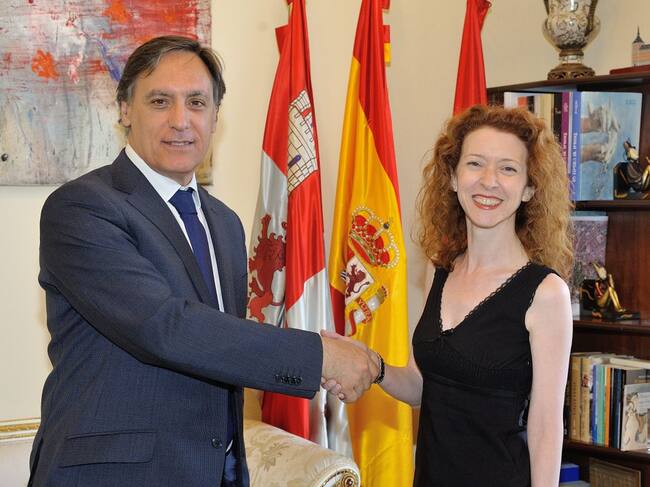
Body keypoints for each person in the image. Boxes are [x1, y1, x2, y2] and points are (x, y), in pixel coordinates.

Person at [29, 36, 377, 487]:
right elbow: (165, 327)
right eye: (160, 101)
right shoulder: (82, 208)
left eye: (196, 102)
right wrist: (320, 356)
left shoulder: (224, 223)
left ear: (215, 116)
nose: (181, 120)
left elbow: (219, 347)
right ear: (125, 110)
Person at [324, 105, 573, 486]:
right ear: (454, 177)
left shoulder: (546, 293)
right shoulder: (438, 269)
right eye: (475, 164)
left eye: (508, 169)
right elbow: (421, 387)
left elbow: (546, 426)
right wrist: (372, 365)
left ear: (529, 188)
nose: (489, 181)